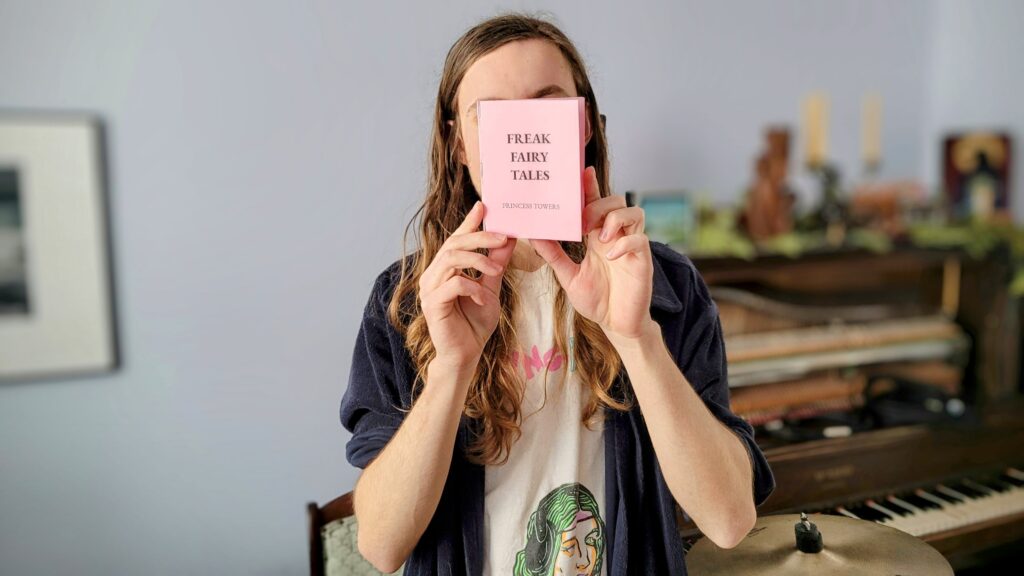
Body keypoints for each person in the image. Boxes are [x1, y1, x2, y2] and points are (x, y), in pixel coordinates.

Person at [340, 13, 774, 575]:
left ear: (583, 125)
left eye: (547, 106)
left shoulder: (665, 285)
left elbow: (729, 518)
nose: (526, 132)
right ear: (461, 144)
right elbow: (380, 544)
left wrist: (637, 339)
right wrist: (451, 366)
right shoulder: (404, 303)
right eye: (493, 114)